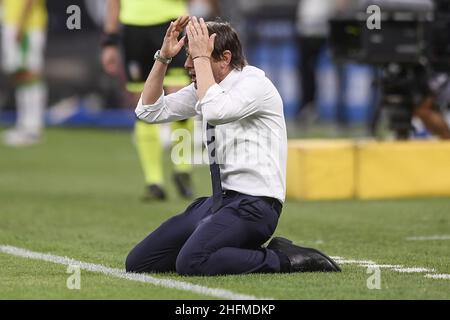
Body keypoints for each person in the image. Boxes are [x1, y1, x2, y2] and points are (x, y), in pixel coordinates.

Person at [126, 16, 341, 275]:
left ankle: (285, 259)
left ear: (225, 58)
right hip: (221, 202)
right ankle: (214, 248)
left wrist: (202, 59)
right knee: (139, 262)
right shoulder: (205, 88)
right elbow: (147, 111)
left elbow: (216, 111)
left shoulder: (254, 84)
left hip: (256, 206)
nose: (187, 65)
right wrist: (163, 58)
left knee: (191, 263)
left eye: (194, 57)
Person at [102, 0, 195, 201]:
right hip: (133, 28)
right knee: (144, 103)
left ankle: (183, 169)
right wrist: (110, 41)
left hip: (170, 23)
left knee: (180, 96)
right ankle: (154, 182)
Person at [1, 0, 47, 146]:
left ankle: (32, 128)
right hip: (12, 22)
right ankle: (24, 125)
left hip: (27, 25)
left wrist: (21, 23)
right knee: (19, 75)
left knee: (29, 74)